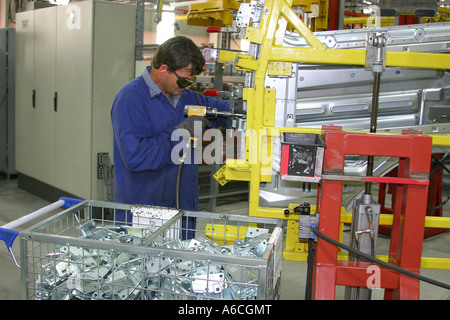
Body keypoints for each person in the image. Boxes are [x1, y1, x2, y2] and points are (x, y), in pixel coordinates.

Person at [111, 36, 230, 226]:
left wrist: (249, 105)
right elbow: (136, 156)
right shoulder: (131, 97)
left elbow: (222, 110)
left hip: (182, 206)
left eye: (191, 81)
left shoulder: (187, 97)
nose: (188, 87)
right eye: (183, 81)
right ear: (164, 69)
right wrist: (182, 134)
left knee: (182, 254)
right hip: (145, 210)